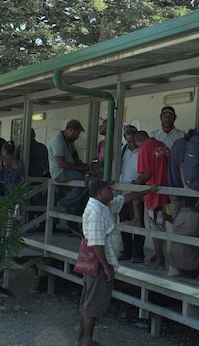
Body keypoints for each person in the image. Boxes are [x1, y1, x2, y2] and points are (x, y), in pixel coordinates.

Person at [75, 179, 159, 346]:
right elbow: (97, 243)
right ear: (100, 193)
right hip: (99, 262)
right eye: (109, 190)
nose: (112, 192)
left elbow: (126, 198)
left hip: (97, 261)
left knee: (88, 301)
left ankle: (82, 339)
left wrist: (149, 190)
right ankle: (86, 340)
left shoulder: (103, 205)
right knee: (92, 302)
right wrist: (106, 267)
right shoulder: (96, 211)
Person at [131, 130, 169, 269]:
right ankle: (160, 258)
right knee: (162, 222)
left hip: (154, 192)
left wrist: (136, 183)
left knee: (156, 226)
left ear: (139, 141)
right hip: (167, 191)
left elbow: (146, 174)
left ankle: (159, 261)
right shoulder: (162, 145)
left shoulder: (145, 148)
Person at [50, 120, 90, 219]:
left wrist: (85, 166)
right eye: (77, 134)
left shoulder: (69, 141)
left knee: (84, 185)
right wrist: (80, 168)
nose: (78, 136)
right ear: (70, 130)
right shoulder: (58, 141)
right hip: (60, 172)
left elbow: (74, 158)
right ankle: (64, 203)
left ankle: (69, 199)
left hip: (69, 171)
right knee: (83, 181)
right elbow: (61, 163)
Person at [117, 124, 144, 263]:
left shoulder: (142, 150)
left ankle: (138, 253)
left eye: (132, 134)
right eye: (128, 134)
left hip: (137, 190)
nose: (130, 137)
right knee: (124, 221)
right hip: (123, 190)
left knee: (138, 221)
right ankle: (126, 250)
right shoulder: (123, 150)